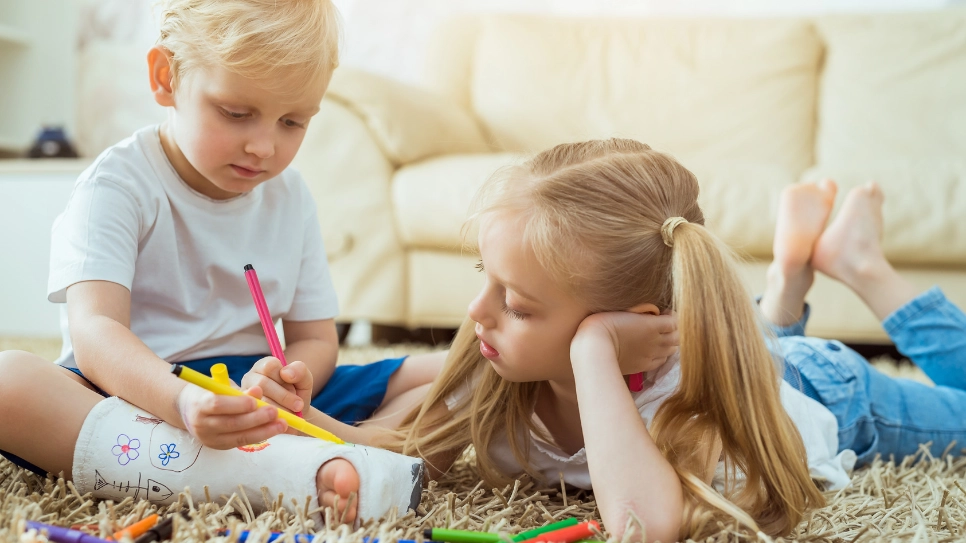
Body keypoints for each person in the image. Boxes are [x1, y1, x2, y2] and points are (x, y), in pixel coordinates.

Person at [280, 139, 966, 541]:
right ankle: (785, 285)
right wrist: (294, 411)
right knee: (742, 337)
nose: (476, 310)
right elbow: (392, 435)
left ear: (623, 323)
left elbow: (642, 524)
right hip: (718, 348)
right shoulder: (499, 370)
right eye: (483, 278)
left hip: (825, 387)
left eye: (515, 304)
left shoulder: (686, 410)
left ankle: (863, 266)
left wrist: (592, 356)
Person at [0, 0, 430, 523]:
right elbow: (95, 332)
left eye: (293, 121)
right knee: (8, 381)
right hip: (136, 392)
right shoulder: (115, 186)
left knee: (453, 373)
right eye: (236, 113)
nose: (264, 146)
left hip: (251, 391)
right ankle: (293, 470)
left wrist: (290, 381)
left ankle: (329, 450)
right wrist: (181, 403)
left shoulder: (291, 197)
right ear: (166, 77)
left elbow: (316, 338)